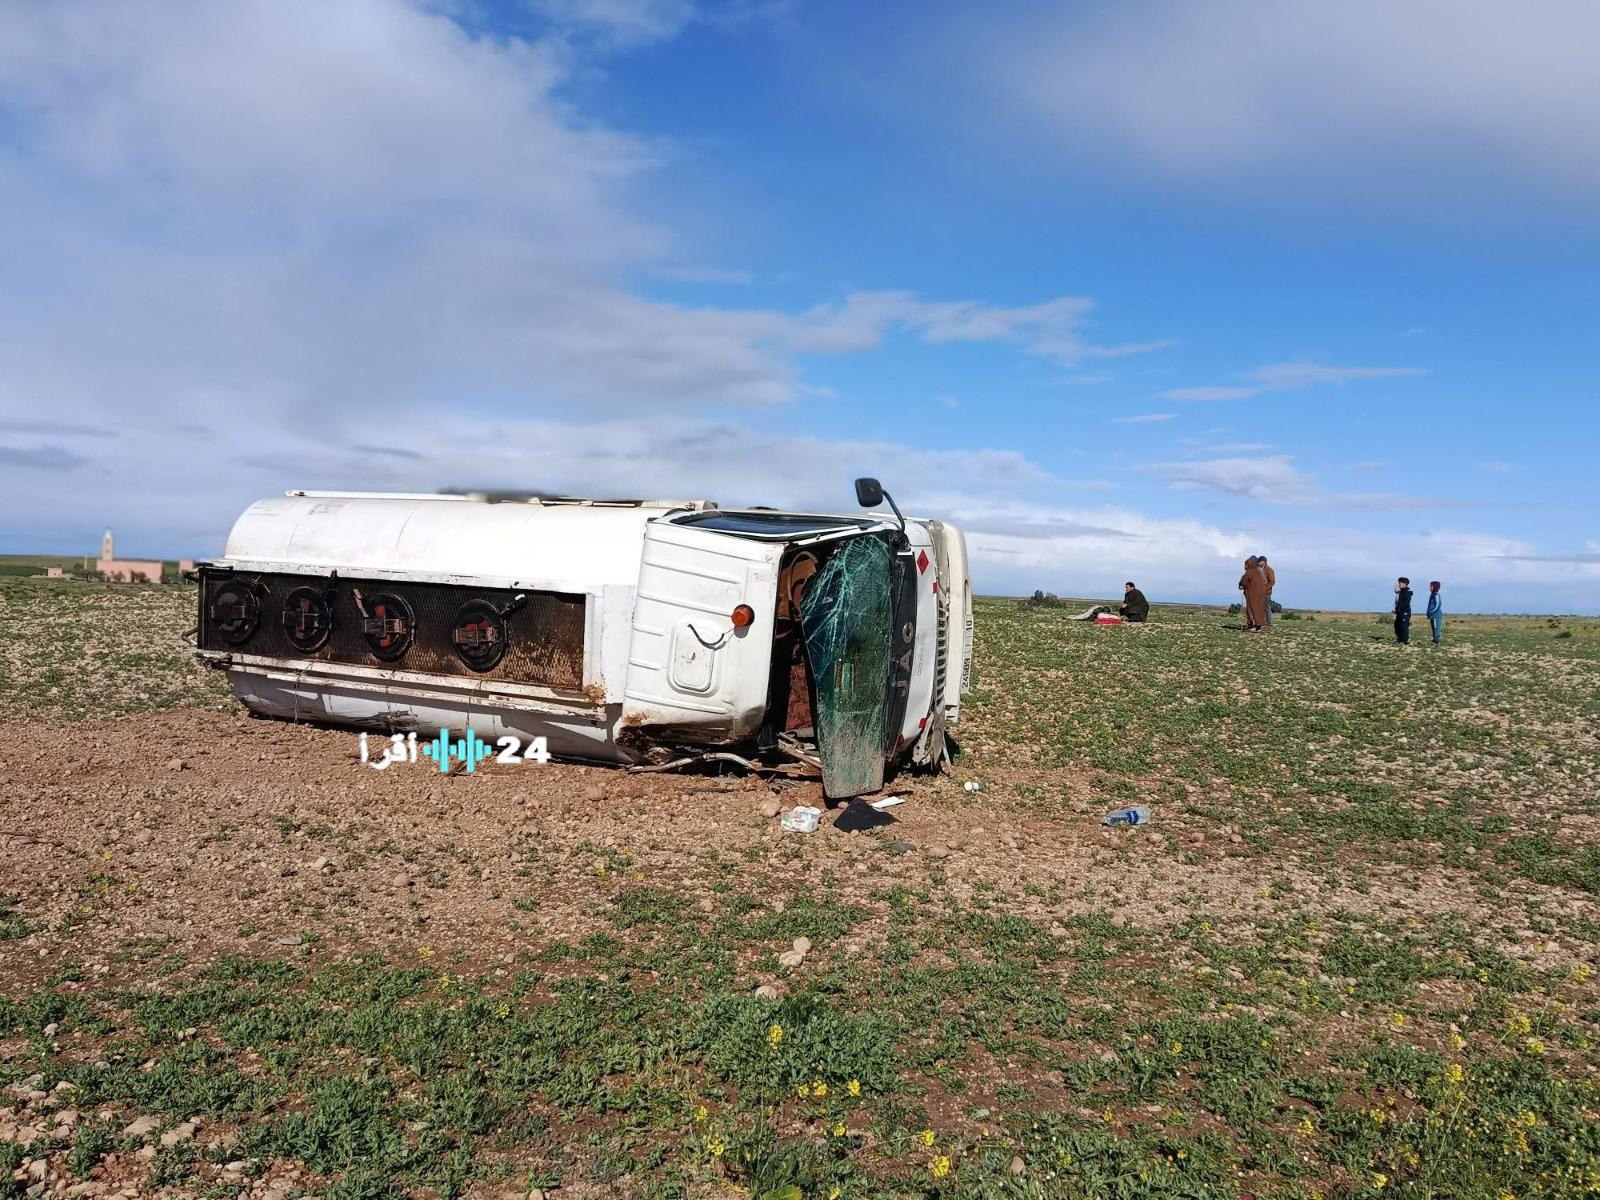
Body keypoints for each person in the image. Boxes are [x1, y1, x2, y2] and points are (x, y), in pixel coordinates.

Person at [1239, 557, 1269, 631]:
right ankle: (1258, 626)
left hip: (1252, 593)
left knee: (1252, 608)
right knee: (1259, 609)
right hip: (1262, 593)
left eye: (1246, 564)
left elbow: (1244, 581)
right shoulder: (1258, 571)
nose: (1245, 566)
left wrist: (1241, 585)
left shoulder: (1250, 571)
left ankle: (1252, 626)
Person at [1258, 555, 1276, 626]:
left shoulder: (1269, 570)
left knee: (1267, 607)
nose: (1258, 563)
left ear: (1264, 562)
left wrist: (1264, 589)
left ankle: (1270, 623)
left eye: (1259, 561)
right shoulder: (1259, 569)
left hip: (1266, 592)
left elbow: (1272, 581)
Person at [1394, 577, 1413, 644]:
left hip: (1405, 612)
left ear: (1405, 584)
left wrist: (1399, 609)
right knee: (1397, 625)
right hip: (1399, 612)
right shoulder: (1401, 592)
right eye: (1399, 583)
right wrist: (1396, 610)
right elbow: (1398, 602)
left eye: (1400, 583)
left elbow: (1405, 603)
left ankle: (1404, 640)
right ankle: (1400, 638)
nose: (1399, 584)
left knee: (1404, 626)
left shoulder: (1407, 592)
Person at [1426, 581, 1443, 645]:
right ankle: (1435, 640)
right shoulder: (1432, 595)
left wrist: (1431, 612)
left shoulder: (1436, 595)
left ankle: (1437, 641)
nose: (1430, 588)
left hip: (1436, 616)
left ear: (1435, 587)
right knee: (1433, 628)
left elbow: (1438, 604)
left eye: (1431, 586)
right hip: (1432, 616)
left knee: (1436, 628)